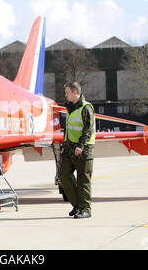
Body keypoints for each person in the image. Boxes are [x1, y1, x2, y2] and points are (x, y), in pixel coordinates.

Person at [59, 82, 96, 219]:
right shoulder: (70, 108)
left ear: (75, 92)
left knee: (83, 181)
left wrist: (81, 146)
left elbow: (88, 129)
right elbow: (69, 128)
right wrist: (64, 145)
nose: (65, 95)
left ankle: (86, 209)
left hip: (84, 149)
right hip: (69, 148)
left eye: (67, 92)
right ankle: (77, 205)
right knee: (63, 175)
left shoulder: (86, 108)